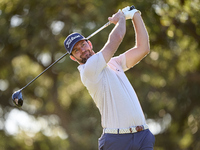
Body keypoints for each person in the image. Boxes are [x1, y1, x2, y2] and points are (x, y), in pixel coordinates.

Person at [64, 6, 155, 150]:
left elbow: (143, 48)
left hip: (142, 136)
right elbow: (116, 38)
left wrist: (135, 14)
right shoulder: (88, 70)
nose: (82, 50)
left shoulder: (113, 63)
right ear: (73, 58)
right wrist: (120, 19)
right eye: (76, 50)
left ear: (89, 43)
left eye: (83, 44)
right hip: (117, 141)